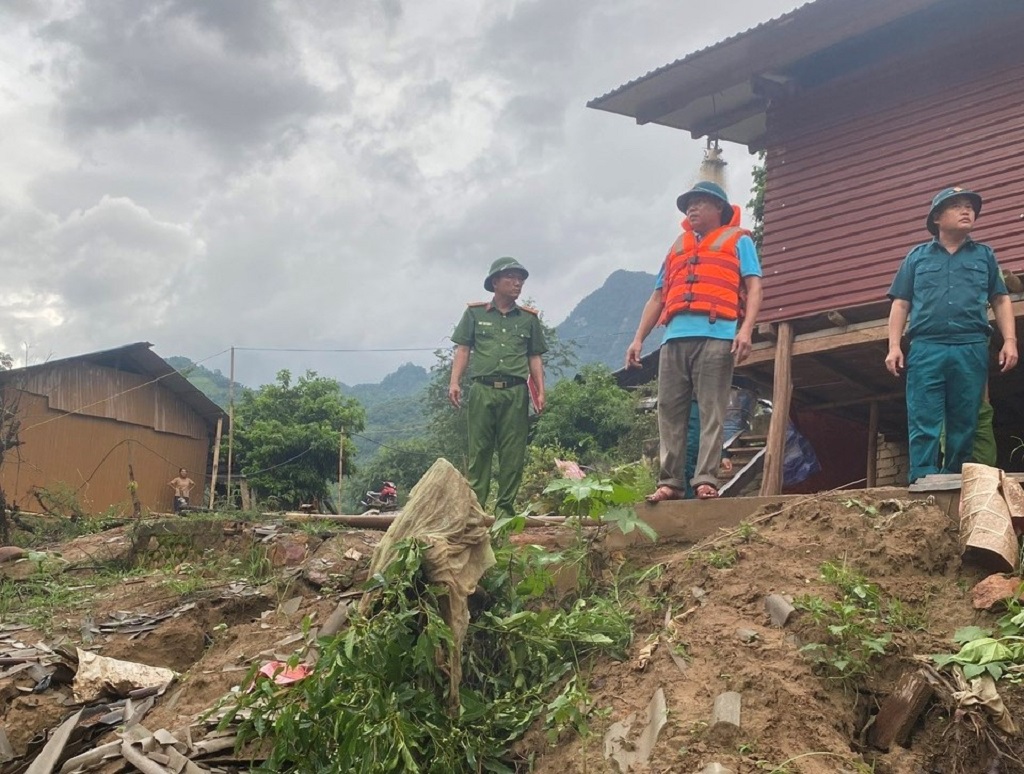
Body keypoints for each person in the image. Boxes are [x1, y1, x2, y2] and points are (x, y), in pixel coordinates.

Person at [626, 181, 763, 501]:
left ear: (719, 209)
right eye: (689, 204)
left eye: (701, 202)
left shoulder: (739, 241)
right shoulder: (677, 247)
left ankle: (706, 479)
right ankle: (670, 482)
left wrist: (746, 331)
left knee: (712, 410)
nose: (692, 208)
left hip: (717, 334)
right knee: (669, 411)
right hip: (673, 339)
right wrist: (638, 339)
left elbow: (754, 287)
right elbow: (658, 296)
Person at [885, 186, 1018, 483]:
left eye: (970, 206)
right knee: (924, 417)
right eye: (957, 205)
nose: (966, 210)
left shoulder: (984, 255)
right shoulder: (917, 257)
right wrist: (894, 346)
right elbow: (901, 302)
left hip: (969, 346)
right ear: (936, 219)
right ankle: (922, 482)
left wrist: (1010, 341)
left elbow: (1000, 299)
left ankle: (953, 481)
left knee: (965, 419)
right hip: (925, 347)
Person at [449, 257, 548, 517]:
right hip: (482, 390)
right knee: (479, 451)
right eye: (511, 278)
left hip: (516, 392)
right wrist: (455, 382)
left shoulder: (528, 320)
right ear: (495, 282)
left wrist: (540, 391)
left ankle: (505, 512)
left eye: (521, 279)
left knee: (513, 453)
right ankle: (476, 510)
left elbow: (535, 356)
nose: (518, 283)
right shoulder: (475, 314)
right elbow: (463, 349)